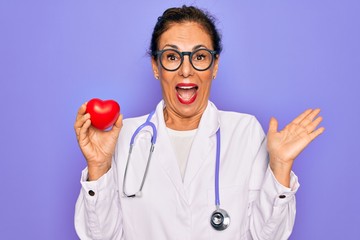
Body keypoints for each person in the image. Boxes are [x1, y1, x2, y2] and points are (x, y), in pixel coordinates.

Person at [74, 5, 324, 240]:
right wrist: (99, 166)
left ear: (214, 66)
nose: (186, 70)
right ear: (155, 66)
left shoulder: (245, 132)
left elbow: (265, 237)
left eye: (200, 56)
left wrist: (280, 167)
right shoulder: (124, 136)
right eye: (172, 57)